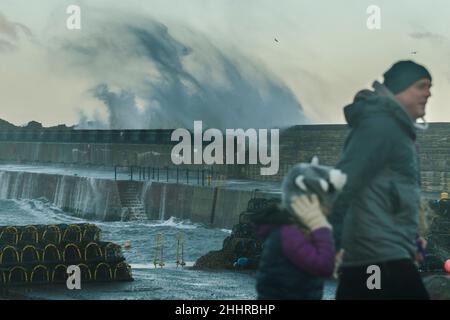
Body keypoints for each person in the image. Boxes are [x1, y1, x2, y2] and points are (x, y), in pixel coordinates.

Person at [331, 60, 432, 299]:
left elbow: (389, 195)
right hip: (377, 258)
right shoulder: (381, 126)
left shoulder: (396, 129)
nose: (429, 93)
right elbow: (342, 184)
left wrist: (411, 241)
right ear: (400, 89)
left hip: (387, 254)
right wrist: (333, 245)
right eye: (421, 86)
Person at [254, 160, 347, 299]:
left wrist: (332, 260)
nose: (329, 209)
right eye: (326, 203)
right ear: (307, 201)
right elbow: (324, 267)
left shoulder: (297, 231)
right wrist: (320, 225)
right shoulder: (290, 233)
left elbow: (317, 265)